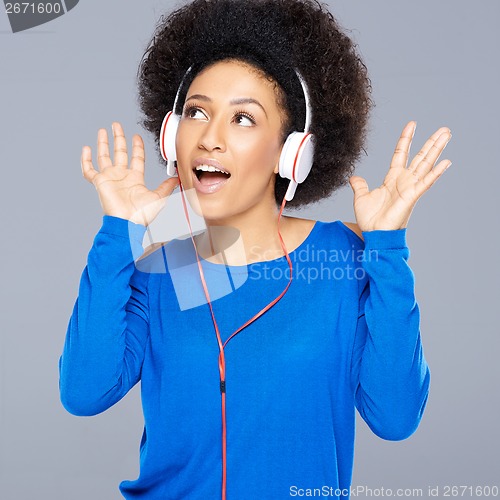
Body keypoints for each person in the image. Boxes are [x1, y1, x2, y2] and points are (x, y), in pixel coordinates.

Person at [58, 0, 452, 498]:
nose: (211, 138)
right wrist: (119, 232)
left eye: (243, 119)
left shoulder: (343, 261)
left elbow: (395, 417)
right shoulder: (157, 262)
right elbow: (84, 393)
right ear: (171, 136)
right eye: (197, 112)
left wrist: (388, 249)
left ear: (292, 153)